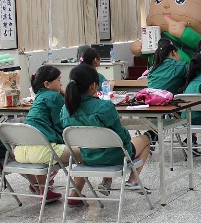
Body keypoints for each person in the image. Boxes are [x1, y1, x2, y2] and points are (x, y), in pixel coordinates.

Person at [60, 64, 152, 206]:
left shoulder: (66, 110)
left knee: (97, 145)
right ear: (93, 86)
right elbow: (123, 138)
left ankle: (78, 192)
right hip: (116, 158)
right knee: (145, 139)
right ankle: (133, 180)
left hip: (87, 157)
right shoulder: (104, 107)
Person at [15, 66, 82, 203]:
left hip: (21, 153)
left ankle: (42, 190)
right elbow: (61, 127)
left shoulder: (38, 97)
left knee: (44, 145)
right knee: (86, 152)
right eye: (58, 80)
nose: (61, 83)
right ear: (47, 84)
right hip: (41, 152)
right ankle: (75, 194)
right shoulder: (54, 97)